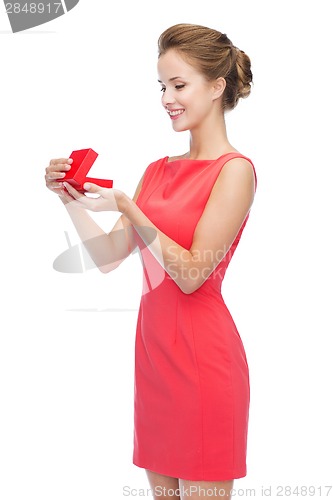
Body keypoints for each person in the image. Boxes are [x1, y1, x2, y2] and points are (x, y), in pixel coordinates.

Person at [45, 23, 257, 500]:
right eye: (162, 86)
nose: (167, 98)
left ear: (217, 86)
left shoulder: (235, 171)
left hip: (204, 363)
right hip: (155, 360)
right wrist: (69, 200)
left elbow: (189, 275)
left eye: (179, 85)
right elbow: (106, 258)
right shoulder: (157, 171)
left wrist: (127, 206)